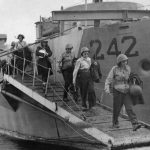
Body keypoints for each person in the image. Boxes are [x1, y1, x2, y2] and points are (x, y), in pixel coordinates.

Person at [104, 54, 141, 131]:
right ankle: (115, 123)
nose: (125, 63)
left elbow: (129, 78)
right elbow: (108, 79)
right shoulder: (114, 69)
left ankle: (135, 124)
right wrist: (107, 88)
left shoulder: (128, 68)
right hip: (117, 91)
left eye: (126, 61)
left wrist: (133, 79)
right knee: (117, 109)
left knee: (129, 107)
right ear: (119, 62)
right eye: (123, 61)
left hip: (126, 91)